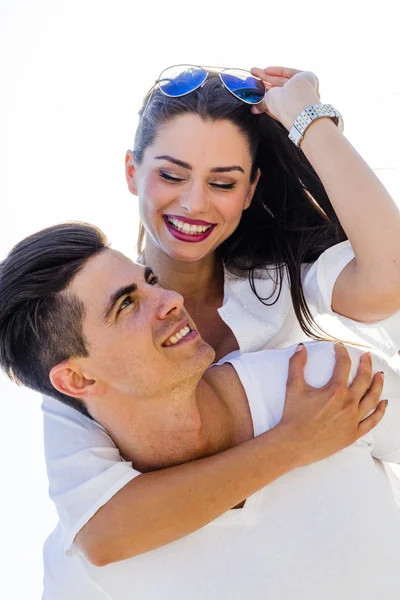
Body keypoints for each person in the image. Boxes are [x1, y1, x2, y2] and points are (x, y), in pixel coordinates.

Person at [40, 65, 400, 563]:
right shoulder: (91, 342)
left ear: (250, 191)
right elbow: (103, 534)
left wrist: (310, 120)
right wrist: (291, 443)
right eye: (171, 175)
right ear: (131, 172)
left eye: (223, 183)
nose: (193, 203)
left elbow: (390, 277)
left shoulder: (276, 283)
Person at [0, 222, 399, 600]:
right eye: (126, 305)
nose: (172, 300)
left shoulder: (324, 383)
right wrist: (291, 444)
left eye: (150, 281)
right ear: (77, 381)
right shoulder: (86, 575)